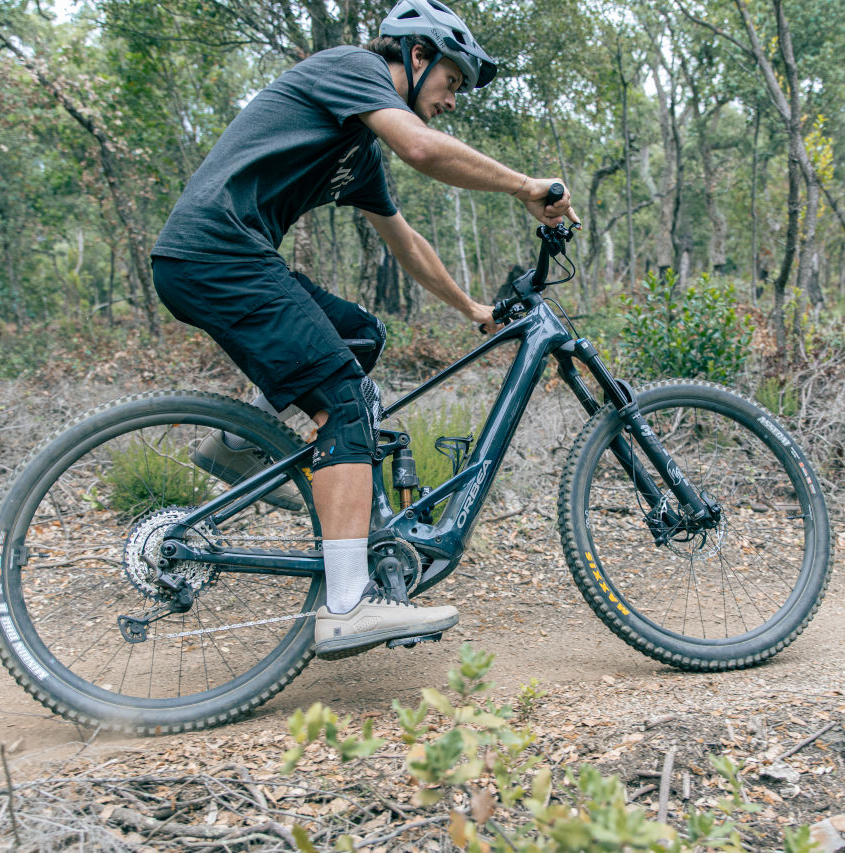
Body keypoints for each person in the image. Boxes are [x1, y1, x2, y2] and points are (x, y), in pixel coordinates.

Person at [150, 0, 578, 660]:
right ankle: (347, 605)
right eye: (452, 81)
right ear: (414, 56)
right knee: (346, 401)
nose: (453, 99)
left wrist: (471, 309)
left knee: (360, 337)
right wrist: (525, 185)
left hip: (220, 257)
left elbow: (407, 244)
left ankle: (241, 444)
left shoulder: (357, 148)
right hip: (217, 253)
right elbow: (420, 146)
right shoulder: (351, 68)